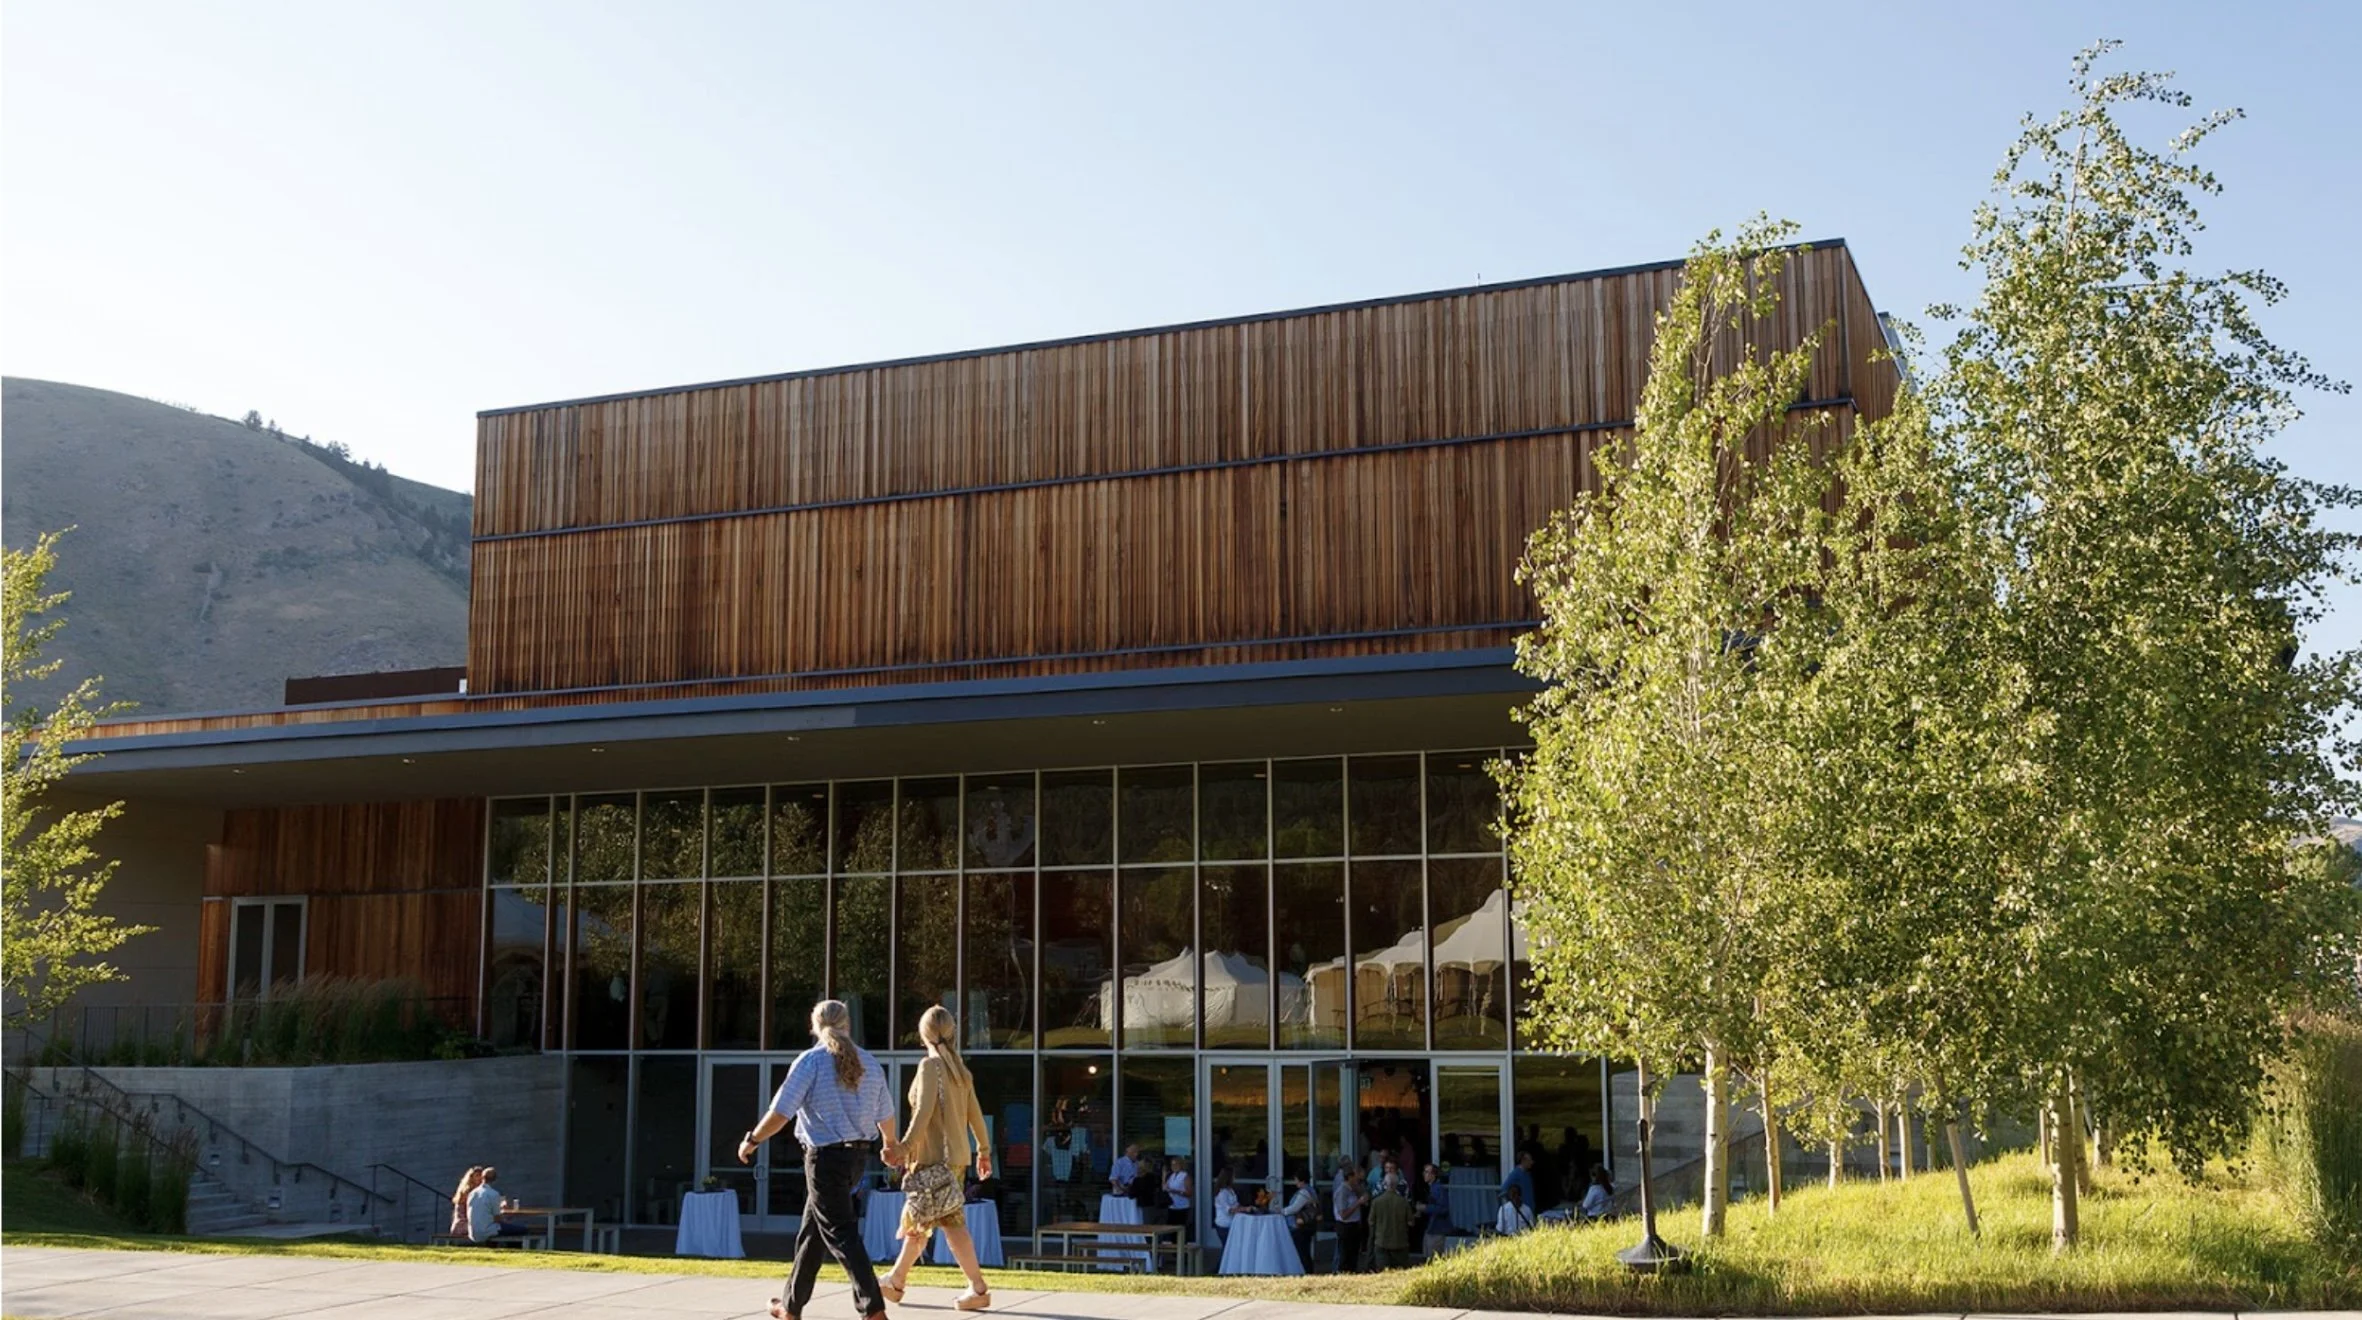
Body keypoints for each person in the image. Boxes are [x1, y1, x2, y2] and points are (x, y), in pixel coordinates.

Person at [739, 1000, 904, 1320]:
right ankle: (790, 1307)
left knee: (842, 1233)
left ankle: (874, 1310)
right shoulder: (869, 1062)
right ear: (848, 1025)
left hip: (825, 1159)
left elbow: (781, 1112)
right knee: (812, 1234)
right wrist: (890, 1145)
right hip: (857, 1158)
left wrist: (753, 1139)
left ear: (814, 1026)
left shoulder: (811, 1062)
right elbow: (886, 1113)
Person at [878, 1006, 994, 1312]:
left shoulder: (930, 1066)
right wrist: (983, 1151)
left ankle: (901, 1281)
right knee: (936, 1221)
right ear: (952, 1032)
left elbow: (923, 1113)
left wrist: (902, 1149)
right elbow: (976, 1116)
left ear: (923, 1034)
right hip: (955, 1160)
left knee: (930, 1219)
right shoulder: (960, 1070)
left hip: (932, 1159)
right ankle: (898, 1280)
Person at [465, 1166, 526, 1243]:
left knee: (506, 1228)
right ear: (494, 1180)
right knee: (522, 1230)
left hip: (473, 1232)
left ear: (482, 1177)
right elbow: (497, 1217)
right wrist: (506, 1219)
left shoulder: (472, 1193)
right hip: (487, 1230)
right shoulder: (493, 1194)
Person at [1367, 1177, 1413, 1270]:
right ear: (1396, 1185)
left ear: (1384, 1184)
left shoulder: (1377, 1202)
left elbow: (1371, 1221)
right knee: (1400, 1274)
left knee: (1383, 1273)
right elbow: (1411, 1222)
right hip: (1400, 1243)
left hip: (1381, 1242)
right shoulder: (1403, 1202)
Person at [1331, 1165, 1370, 1273]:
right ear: (1350, 1177)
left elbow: (1366, 1197)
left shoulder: (1353, 1189)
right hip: (1345, 1226)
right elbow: (1343, 1214)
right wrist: (1358, 1203)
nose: (1358, 1180)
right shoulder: (1342, 1191)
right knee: (1345, 1255)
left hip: (1354, 1225)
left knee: (1354, 1255)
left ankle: (1352, 1272)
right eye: (1356, 1177)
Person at [1279, 1172, 1319, 1273]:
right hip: (1307, 1225)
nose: (1295, 1182)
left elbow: (1295, 1208)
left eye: (1296, 1179)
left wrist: (1282, 1211)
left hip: (1301, 1226)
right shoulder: (1310, 1190)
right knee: (1305, 1250)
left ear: (1301, 1180)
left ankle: (1305, 1271)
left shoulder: (1304, 1192)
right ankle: (1308, 1271)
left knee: (1302, 1252)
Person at [1419, 1163, 1452, 1257]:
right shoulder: (1431, 1188)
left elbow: (1443, 1208)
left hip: (1436, 1230)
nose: (1424, 1174)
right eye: (1424, 1172)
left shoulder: (1438, 1189)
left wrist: (1425, 1208)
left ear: (1433, 1175)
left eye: (1427, 1172)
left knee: (1432, 1258)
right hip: (1431, 1229)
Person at [1163, 1156, 1193, 1240]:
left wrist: (1176, 1191)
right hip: (1172, 1206)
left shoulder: (1185, 1176)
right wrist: (1164, 1175)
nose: (1174, 1166)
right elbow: (1165, 1187)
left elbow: (1189, 1192)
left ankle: (1183, 1250)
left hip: (1182, 1208)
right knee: (1172, 1231)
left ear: (1181, 1165)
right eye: (1172, 1164)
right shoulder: (1171, 1176)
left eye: (1176, 1164)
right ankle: (1174, 1250)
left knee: (1181, 1231)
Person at [449, 1166, 484, 1237]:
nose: (480, 1178)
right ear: (471, 1178)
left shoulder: (479, 1191)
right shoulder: (467, 1192)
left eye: (481, 1176)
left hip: (469, 1224)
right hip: (463, 1225)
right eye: (477, 1176)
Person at [1209, 1168, 1240, 1247]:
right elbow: (1229, 1210)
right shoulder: (1222, 1193)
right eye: (1233, 1176)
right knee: (1227, 1247)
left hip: (1232, 1224)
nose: (1234, 1178)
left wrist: (1243, 1208)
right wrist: (1244, 1209)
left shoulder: (1231, 1190)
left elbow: (1235, 1205)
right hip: (1224, 1224)